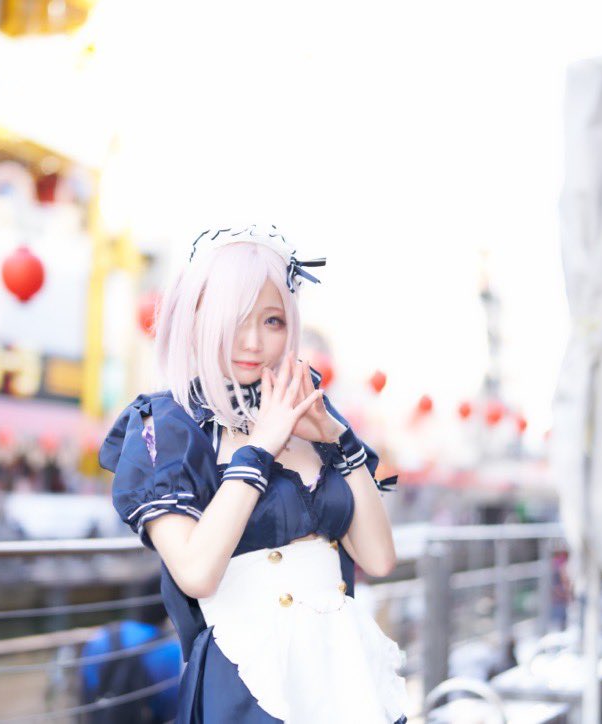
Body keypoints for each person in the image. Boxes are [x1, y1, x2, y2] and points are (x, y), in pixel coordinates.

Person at [100, 225, 407, 723]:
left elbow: (379, 557)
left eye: (272, 320)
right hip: (249, 684)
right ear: (198, 318)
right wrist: (261, 447)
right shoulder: (167, 425)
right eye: (235, 318)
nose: (253, 341)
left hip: (342, 671)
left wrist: (339, 441)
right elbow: (196, 572)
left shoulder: (307, 410)